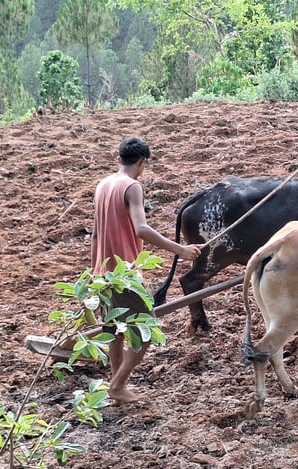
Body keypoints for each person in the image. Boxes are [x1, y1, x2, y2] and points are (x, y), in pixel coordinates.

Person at [93, 135, 201, 404]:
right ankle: (117, 386)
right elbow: (141, 228)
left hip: (102, 273)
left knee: (115, 331)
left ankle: (117, 385)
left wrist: (95, 270)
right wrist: (181, 250)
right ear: (142, 162)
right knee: (146, 331)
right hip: (124, 273)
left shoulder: (103, 185)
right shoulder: (132, 187)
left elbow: (95, 234)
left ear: (120, 159)